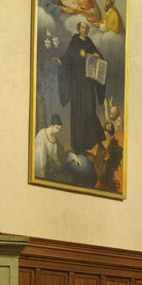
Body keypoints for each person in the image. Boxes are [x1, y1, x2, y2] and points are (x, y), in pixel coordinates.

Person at [53, 21, 105, 154]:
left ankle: (93, 141)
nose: (84, 29)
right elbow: (67, 56)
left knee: (89, 110)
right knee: (77, 113)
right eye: (82, 27)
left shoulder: (89, 42)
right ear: (78, 29)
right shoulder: (75, 41)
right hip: (77, 83)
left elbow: (98, 54)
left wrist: (97, 55)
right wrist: (61, 61)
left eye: (86, 27)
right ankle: (78, 146)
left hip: (88, 82)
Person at [33, 115, 65, 180]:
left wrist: (56, 162)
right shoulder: (42, 134)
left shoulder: (54, 138)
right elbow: (40, 156)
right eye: (57, 128)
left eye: (59, 129)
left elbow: (53, 153)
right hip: (40, 166)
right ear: (52, 125)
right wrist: (41, 172)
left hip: (49, 167)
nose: (58, 131)